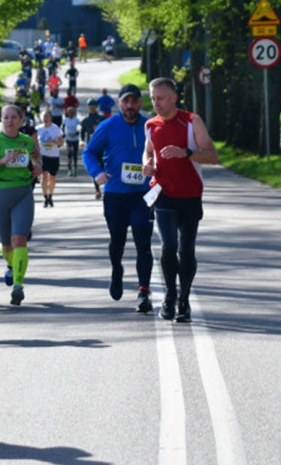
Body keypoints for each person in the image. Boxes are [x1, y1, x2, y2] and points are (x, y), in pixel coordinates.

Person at [143, 77, 218, 323]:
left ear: (174, 97)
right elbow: (149, 151)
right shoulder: (151, 125)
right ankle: (170, 295)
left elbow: (212, 156)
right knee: (168, 246)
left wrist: (186, 153)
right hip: (163, 195)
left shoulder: (191, 121)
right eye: (153, 98)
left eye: (161, 98)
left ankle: (184, 300)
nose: (156, 103)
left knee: (187, 249)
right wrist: (147, 164)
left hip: (190, 195)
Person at [83, 84, 155, 313]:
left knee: (144, 242)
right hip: (115, 194)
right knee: (118, 241)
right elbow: (89, 153)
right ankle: (117, 269)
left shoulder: (149, 126)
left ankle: (144, 291)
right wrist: (97, 173)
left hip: (143, 195)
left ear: (140, 103)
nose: (131, 106)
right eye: (126, 101)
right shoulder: (108, 126)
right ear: (119, 103)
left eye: (134, 101)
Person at [0, 104, 41, 305]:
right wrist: (2, 160)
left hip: (23, 193)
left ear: (21, 121)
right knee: (6, 244)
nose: (10, 121)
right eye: (6, 117)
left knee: (19, 239)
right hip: (1, 193)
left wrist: (37, 166)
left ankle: (18, 286)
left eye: (14, 117)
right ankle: (12, 266)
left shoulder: (27, 141)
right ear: (1, 121)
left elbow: (37, 156)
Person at [36, 110, 64, 207]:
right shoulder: (38, 129)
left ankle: (50, 196)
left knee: (52, 177)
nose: (45, 119)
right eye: (44, 116)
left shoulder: (55, 128)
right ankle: (45, 197)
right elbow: (34, 142)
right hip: (43, 155)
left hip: (53, 155)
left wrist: (53, 142)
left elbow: (61, 143)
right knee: (44, 176)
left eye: (47, 116)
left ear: (51, 118)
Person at [80, 98, 106, 199]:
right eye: (90, 105)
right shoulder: (85, 120)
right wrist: (81, 141)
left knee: (104, 166)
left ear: (96, 106)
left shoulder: (102, 119)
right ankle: (97, 190)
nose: (92, 107)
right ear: (88, 107)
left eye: (93, 105)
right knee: (95, 168)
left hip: (102, 147)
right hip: (91, 148)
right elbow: (82, 132)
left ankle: (106, 187)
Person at [62, 105, 81, 177]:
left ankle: (75, 168)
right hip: (68, 138)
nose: (71, 114)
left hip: (75, 139)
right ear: (67, 113)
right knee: (69, 153)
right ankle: (69, 169)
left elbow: (79, 127)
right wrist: (63, 134)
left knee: (75, 154)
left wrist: (78, 131)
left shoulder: (76, 120)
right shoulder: (65, 120)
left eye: (72, 113)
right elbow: (63, 127)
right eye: (69, 113)